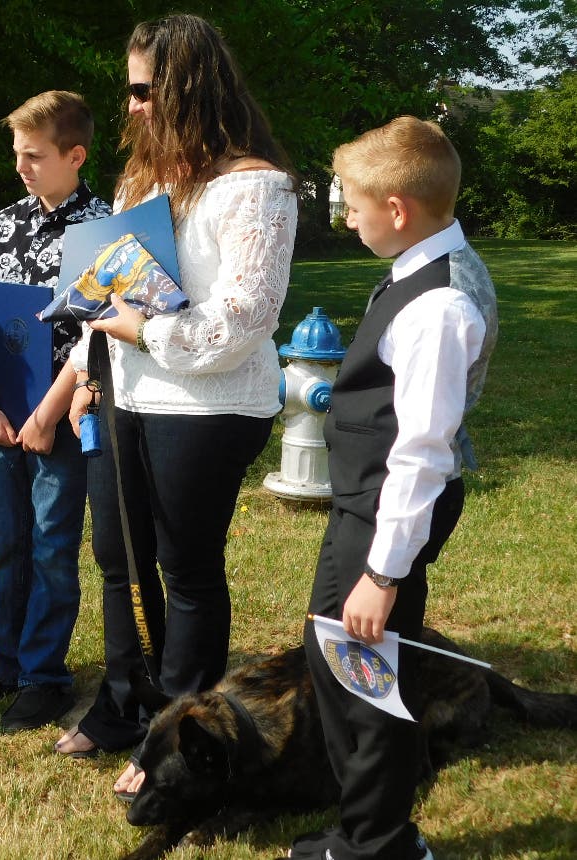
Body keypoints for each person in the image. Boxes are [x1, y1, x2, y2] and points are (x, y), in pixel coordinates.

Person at [53, 14, 299, 800]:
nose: (127, 106)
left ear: (185, 89)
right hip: (125, 397)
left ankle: (180, 733)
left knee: (184, 570)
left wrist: (143, 329)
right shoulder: (143, 182)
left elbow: (242, 321)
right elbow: (110, 288)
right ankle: (122, 705)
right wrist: (87, 372)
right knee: (117, 562)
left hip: (210, 406)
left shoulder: (255, 188)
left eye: (140, 90)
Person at [286, 117, 497, 860]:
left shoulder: (437, 305)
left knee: (361, 671)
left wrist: (381, 572)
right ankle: (374, 823)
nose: (344, 215)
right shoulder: (420, 267)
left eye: (349, 202)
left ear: (397, 208)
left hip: (385, 513)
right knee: (340, 654)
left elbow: (420, 451)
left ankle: (376, 842)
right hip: (368, 504)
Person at [0, 91, 112, 732]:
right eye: (17, 154)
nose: (21, 166)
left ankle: (44, 675)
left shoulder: (102, 229)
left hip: (63, 417)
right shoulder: (4, 223)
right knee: (7, 542)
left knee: (51, 545)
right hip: (2, 417)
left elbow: (97, 331)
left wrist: (46, 415)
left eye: (35, 156)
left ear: (75, 155)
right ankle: (5, 660)